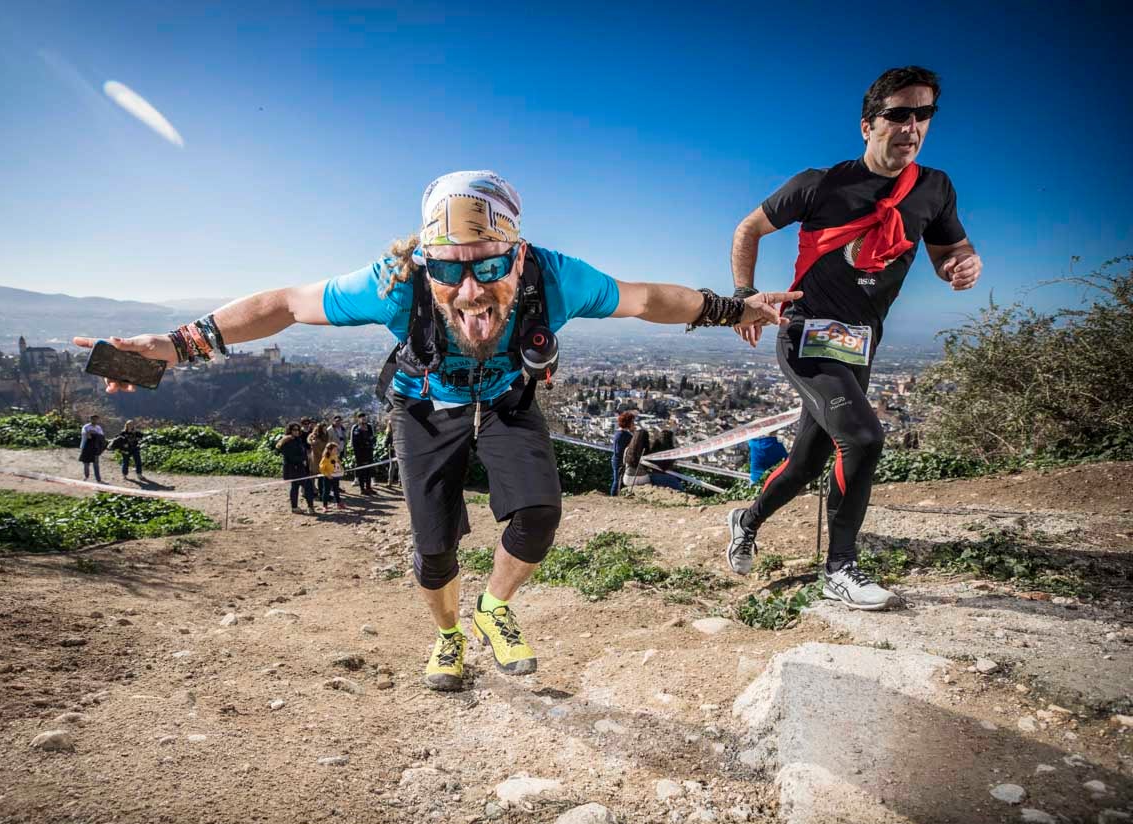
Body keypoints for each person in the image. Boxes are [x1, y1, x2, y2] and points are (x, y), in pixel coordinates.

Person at [74, 169, 796, 692]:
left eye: (486, 268)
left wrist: (735, 310)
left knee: (539, 513)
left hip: (508, 399)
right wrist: (179, 344)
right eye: (450, 271)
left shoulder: (555, 275)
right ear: (425, 262)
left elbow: (645, 299)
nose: (471, 291)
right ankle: (449, 635)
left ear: (516, 254)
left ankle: (493, 609)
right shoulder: (398, 282)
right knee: (432, 550)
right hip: (424, 407)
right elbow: (284, 303)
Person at [724, 67, 981, 612]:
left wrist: (964, 265)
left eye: (923, 115)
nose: (911, 126)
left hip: (859, 345)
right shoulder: (820, 183)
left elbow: (949, 253)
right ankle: (840, 568)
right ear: (868, 125)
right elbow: (748, 229)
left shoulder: (935, 189)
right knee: (863, 439)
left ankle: (745, 521)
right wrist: (745, 296)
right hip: (805, 334)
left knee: (806, 463)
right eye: (898, 114)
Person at [276, 422, 316, 514]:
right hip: (294, 468)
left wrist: (306, 460)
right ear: (290, 430)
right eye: (294, 429)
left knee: (296, 487)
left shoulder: (297, 439)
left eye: (298, 429)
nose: (297, 431)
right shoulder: (287, 441)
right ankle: (309, 507)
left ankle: (296, 507)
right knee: (307, 487)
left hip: (301, 468)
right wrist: (302, 460)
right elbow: (290, 457)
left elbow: (302, 452)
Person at [350, 412, 377, 494]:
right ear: (358, 419)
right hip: (360, 453)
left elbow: (373, 437)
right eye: (362, 418)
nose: (364, 419)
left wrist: (371, 442)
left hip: (369, 452)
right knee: (362, 471)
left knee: (369, 470)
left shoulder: (369, 426)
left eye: (365, 417)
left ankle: (368, 487)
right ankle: (362, 489)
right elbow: (354, 441)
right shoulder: (355, 427)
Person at [609, 411, 635, 496]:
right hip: (619, 461)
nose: (633, 424)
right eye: (632, 422)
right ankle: (613, 497)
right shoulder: (624, 435)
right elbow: (619, 451)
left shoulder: (618, 433)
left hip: (616, 460)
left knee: (617, 480)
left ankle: (615, 496)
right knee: (617, 481)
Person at [318, 441, 347, 512]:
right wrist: (327, 475)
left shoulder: (336, 456)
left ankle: (339, 503)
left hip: (335, 477)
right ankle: (325, 506)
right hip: (328, 478)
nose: (336, 451)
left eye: (336, 450)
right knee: (326, 491)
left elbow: (338, 464)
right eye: (334, 450)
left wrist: (341, 470)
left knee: (336, 490)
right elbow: (321, 468)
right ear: (329, 450)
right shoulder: (325, 458)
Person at [79, 415, 106, 483]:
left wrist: (94, 433)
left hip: (95, 447)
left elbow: (101, 436)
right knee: (86, 463)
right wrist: (90, 433)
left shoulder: (98, 427)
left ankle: (98, 479)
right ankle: (86, 476)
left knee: (96, 464)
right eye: (93, 419)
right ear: (90, 419)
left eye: (96, 419)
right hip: (85, 446)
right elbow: (86, 435)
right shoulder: (86, 427)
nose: (95, 421)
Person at [307, 419, 329, 500]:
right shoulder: (315, 437)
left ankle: (322, 493)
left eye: (325, 428)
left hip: (323, 459)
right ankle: (312, 492)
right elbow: (314, 447)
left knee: (322, 478)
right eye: (323, 428)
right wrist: (322, 455)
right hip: (316, 460)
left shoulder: (326, 435)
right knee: (313, 477)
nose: (325, 430)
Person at [381, 415, 399, 487]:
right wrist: (386, 447)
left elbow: (386, 441)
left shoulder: (395, 431)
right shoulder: (391, 432)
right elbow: (386, 441)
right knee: (394, 467)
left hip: (397, 450)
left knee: (395, 467)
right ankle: (392, 482)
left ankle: (394, 482)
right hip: (393, 450)